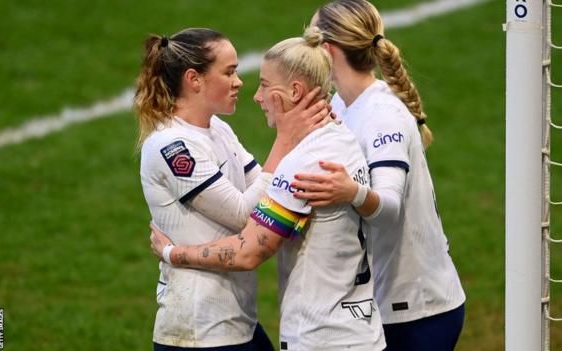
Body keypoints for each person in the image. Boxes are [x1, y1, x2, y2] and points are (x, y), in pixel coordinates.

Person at [149, 27, 386, 351]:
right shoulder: (338, 137)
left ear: (295, 91)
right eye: (230, 71)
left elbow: (250, 244)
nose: (251, 91)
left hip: (317, 334)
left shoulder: (297, 157)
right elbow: (266, 194)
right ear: (194, 79)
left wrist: (171, 253)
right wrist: (289, 143)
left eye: (263, 85)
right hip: (199, 329)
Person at [290, 1, 467, 350]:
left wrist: (349, 191)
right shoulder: (342, 104)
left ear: (327, 51)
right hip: (377, 305)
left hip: (417, 310)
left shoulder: (382, 114)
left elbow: (388, 209)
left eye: (309, 43)